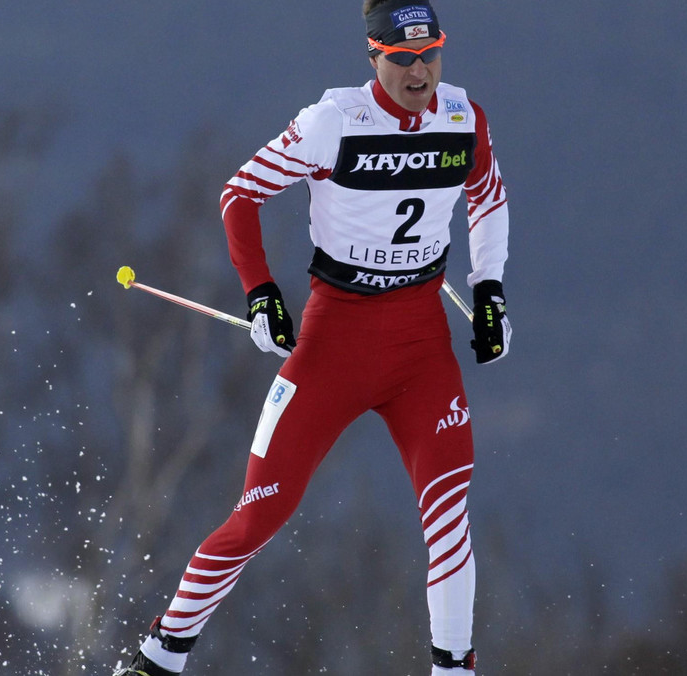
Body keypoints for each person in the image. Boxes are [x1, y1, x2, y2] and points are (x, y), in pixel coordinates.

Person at [112, 1, 511, 674]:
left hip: (421, 351)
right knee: (259, 513)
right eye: (404, 59)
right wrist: (262, 294)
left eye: (432, 55)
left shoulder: (462, 117)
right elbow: (239, 195)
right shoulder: (334, 122)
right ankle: (159, 655)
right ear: (374, 57)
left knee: (448, 516)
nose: (421, 74)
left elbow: (488, 195)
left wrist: (491, 289)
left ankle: (453, 669)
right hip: (334, 347)